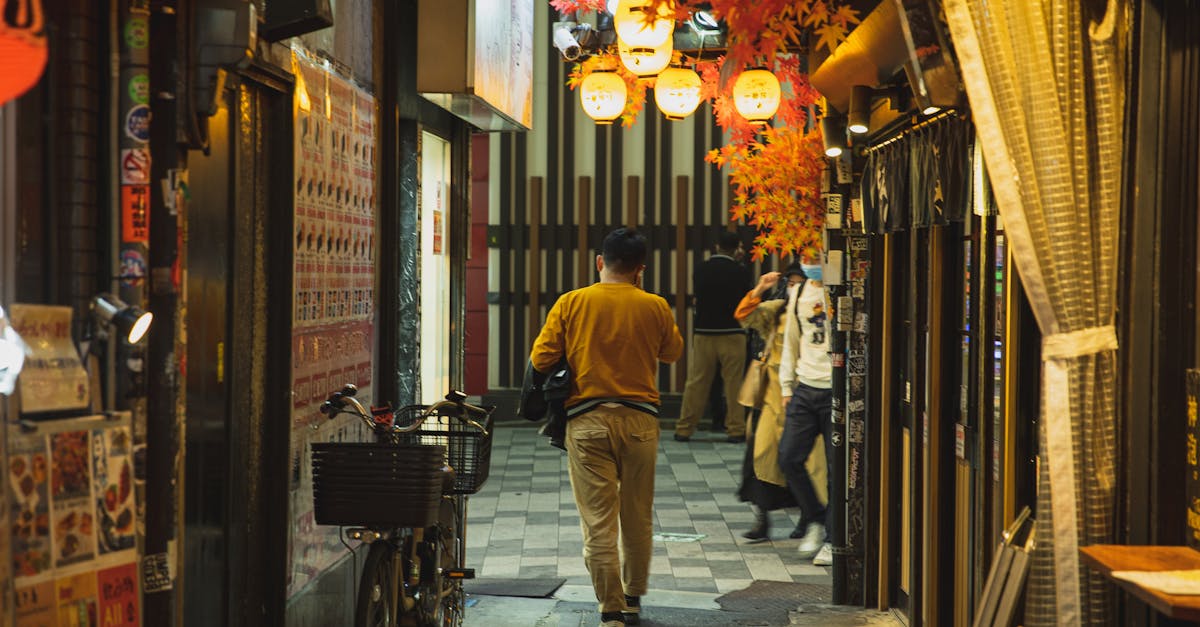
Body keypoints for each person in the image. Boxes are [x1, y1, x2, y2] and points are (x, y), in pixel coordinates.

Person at [529, 227, 684, 627]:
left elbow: (542, 358)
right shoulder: (655, 306)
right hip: (640, 423)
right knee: (637, 515)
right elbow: (671, 353)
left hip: (587, 422)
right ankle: (633, 596)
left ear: (600, 262)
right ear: (640, 269)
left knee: (598, 521)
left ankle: (610, 608)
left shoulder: (573, 302)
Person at [733, 266, 827, 543]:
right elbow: (744, 316)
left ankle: (810, 520)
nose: (795, 288)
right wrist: (760, 289)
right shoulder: (777, 309)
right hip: (774, 396)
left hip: (808, 391)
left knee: (813, 466)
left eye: (801, 282)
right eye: (792, 283)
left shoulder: (820, 310)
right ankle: (763, 519)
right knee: (762, 459)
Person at [778, 258, 835, 566]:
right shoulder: (798, 293)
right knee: (788, 457)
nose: (812, 262)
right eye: (808, 257)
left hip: (835, 388)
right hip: (805, 386)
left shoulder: (841, 285)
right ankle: (815, 517)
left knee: (834, 467)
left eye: (818, 255)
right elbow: (790, 341)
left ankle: (831, 537)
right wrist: (786, 386)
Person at [674, 230, 754, 443]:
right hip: (733, 333)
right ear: (737, 248)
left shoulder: (701, 269)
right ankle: (736, 430)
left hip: (704, 332)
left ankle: (684, 428)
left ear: (716, 246)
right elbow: (747, 301)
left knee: (697, 382)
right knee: (734, 383)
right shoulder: (741, 272)